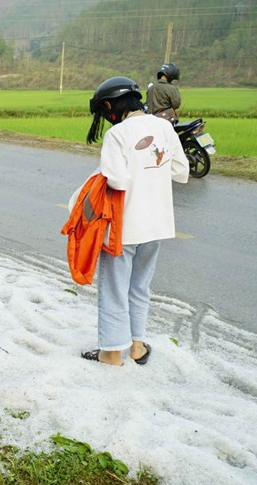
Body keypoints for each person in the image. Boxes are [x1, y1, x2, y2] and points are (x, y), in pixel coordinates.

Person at [79, 76, 189, 366]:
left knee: (114, 287)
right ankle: (137, 346)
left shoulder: (118, 134)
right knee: (140, 286)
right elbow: (180, 171)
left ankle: (111, 353)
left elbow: (116, 180)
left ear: (109, 105)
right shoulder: (165, 127)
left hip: (123, 226)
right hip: (157, 225)